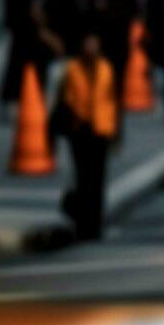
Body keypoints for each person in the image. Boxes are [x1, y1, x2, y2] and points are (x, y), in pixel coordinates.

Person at [58, 33, 117, 239]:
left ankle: (95, 224)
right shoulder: (72, 69)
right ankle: (83, 224)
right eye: (88, 43)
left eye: (94, 42)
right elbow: (65, 99)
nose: (91, 47)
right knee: (83, 179)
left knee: (97, 180)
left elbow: (113, 101)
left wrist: (114, 132)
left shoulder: (105, 68)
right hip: (80, 131)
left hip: (101, 130)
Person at [89, 0, 139, 105]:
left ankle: (106, 101)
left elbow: (91, 13)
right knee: (117, 75)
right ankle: (114, 101)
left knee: (103, 74)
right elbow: (135, 11)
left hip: (106, 40)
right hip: (119, 39)